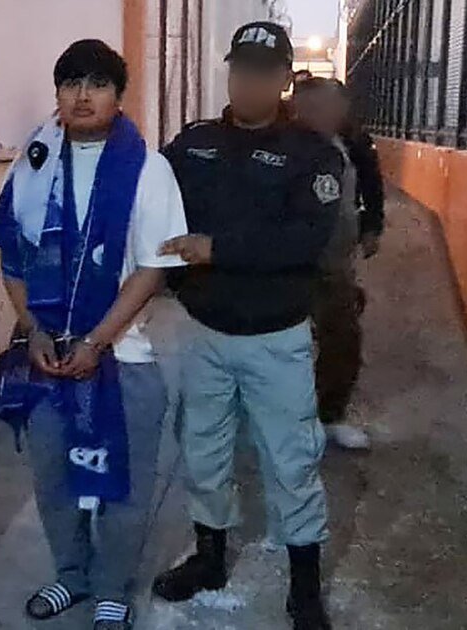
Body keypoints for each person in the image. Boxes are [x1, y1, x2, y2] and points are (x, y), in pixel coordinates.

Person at [0, 39, 188, 630]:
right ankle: (71, 575)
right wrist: (33, 330)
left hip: (125, 355)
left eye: (98, 83)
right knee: (53, 479)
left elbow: (152, 269)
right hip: (48, 356)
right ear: (58, 93)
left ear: (119, 96)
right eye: (71, 82)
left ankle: (112, 587)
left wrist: (96, 341)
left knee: (123, 482)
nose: (82, 95)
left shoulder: (148, 168)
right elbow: (13, 258)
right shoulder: (35, 162)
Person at [150, 22, 341, 630]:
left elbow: (305, 240)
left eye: (263, 72)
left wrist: (216, 249)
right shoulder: (194, 144)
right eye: (240, 70)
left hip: (275, 339)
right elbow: (152, 201)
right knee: (203, 451)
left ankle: (304, 587)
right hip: (204, 331)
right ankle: (209, 558)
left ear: (284, 79)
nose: (249, 82)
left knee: (292, 461)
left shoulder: (312, 155)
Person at [293, 78, 386, 451]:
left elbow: (371, 181)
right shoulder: (281, 145)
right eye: (315, 107)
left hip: (334, 264)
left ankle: (329, 416)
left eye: (332, 107)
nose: (328, 114)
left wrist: (372, 226)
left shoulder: (348, 142)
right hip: (292, 265)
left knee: (342, 341)